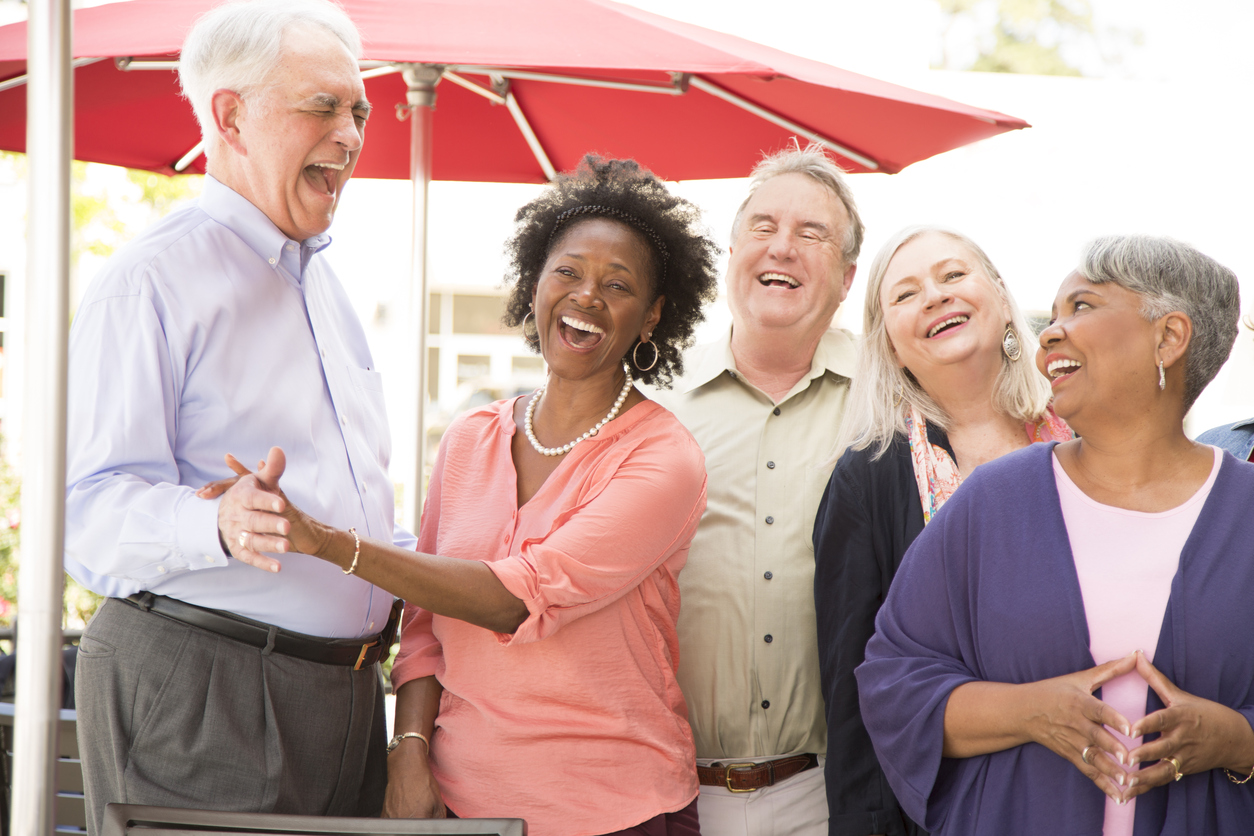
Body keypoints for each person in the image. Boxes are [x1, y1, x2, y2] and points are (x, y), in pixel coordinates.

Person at [226, 155, 721, 835]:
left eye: (618, 285)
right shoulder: (470, 439)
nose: (586, 296)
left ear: (651, 316)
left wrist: (330, 544)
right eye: (568, 272)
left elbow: (514, 598)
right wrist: (410, 752)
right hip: (459, 808)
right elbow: (426, 627)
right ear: (535, 283)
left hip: (614, 811)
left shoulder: (664, 459)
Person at [64, 2, 406, 832]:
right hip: (209, 684)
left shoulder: (325, 286)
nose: (352, 134)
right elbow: (84, 517)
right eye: (323, 105)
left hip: (348, 696)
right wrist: (215, 523)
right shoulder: (151, 283)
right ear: (231, 115)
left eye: (358, 110)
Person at [856, 235, 1254, 836]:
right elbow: (891, 682)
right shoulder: (993, 502)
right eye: (1056, 311)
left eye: (1084, 307)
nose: (1048, 332)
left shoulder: (1247, 512)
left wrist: (1238, 739)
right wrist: (1031, 712)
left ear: (1168, 338)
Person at [812, 226, 1071, 836]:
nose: (934, 296)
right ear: (891, 346)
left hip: (1097, 788)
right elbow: (855, 698)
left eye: (953, 276)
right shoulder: (868, 478)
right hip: (950, 809)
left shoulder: (1089, 436)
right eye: (905, 294)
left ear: (1002, 300)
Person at [648, 143, 862, 835]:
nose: (783, 248)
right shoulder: (651, 401)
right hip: (668, 788)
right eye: (763, 228)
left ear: (847, 277)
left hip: (826, 794)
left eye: (812, 234)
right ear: (731, 251)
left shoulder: (891, 399)